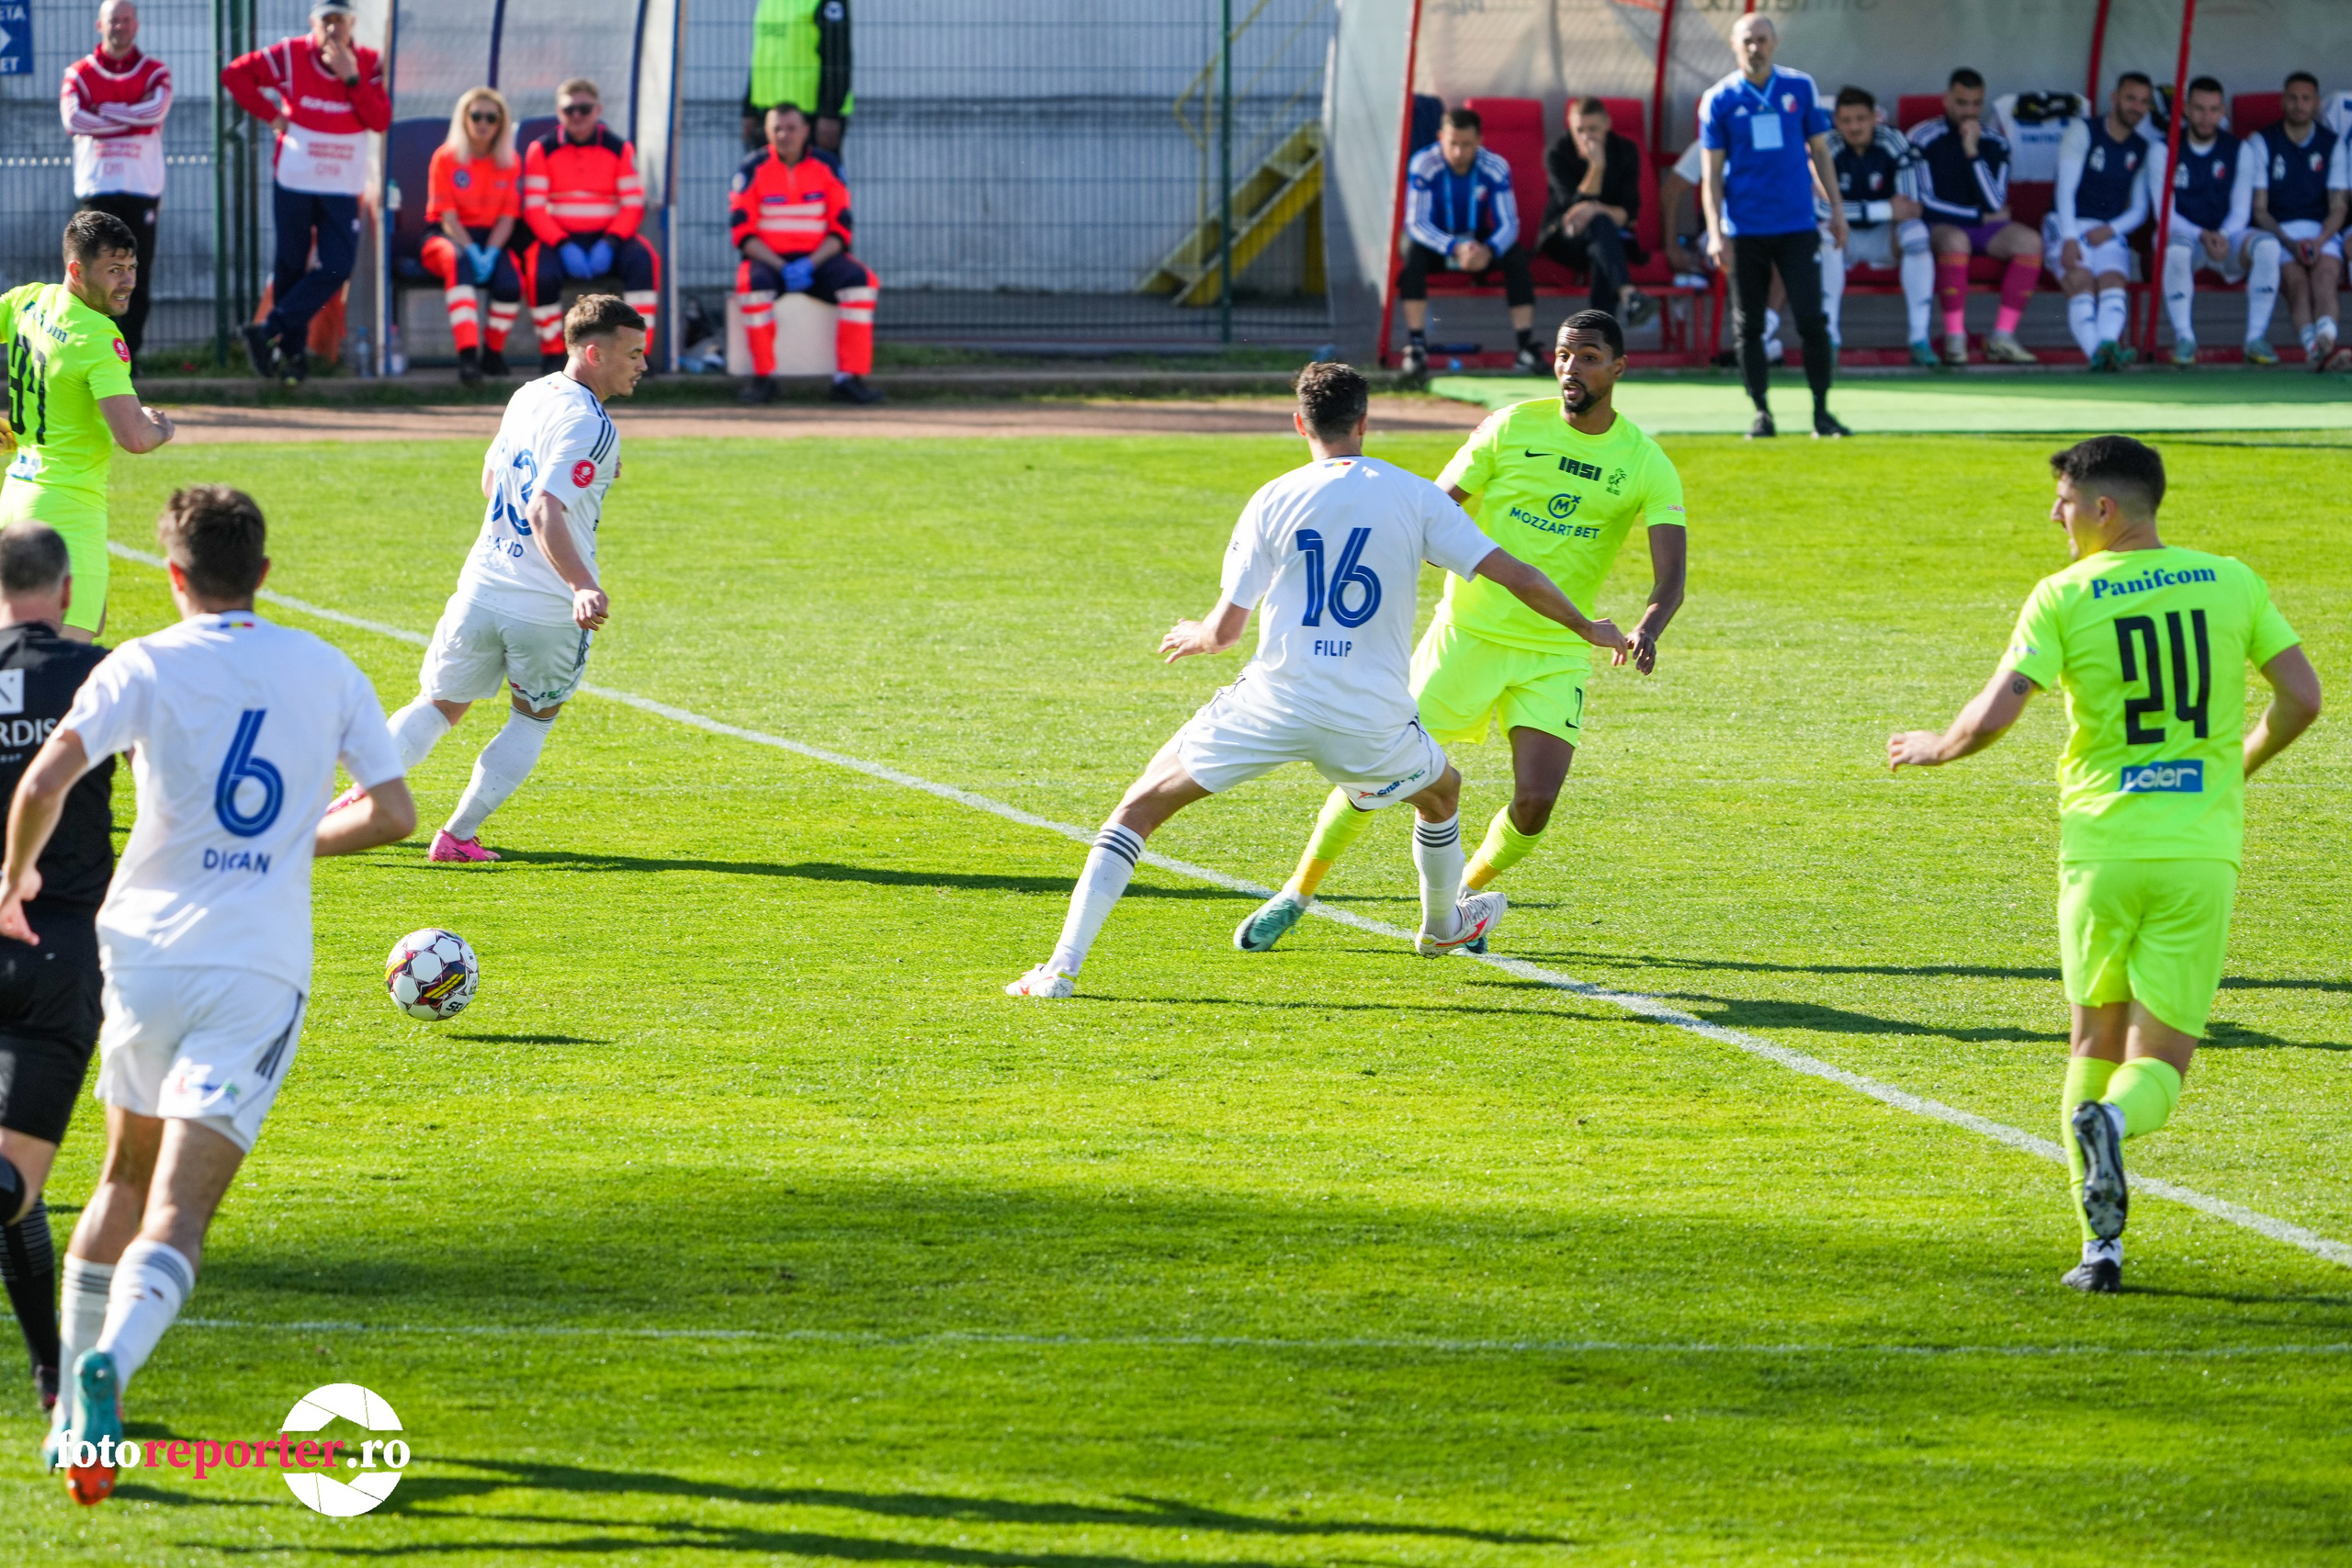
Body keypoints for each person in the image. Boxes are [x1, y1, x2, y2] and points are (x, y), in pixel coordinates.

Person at [6, 485, 416, 1503]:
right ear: (264, 573)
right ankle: (113, 1367)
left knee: (119, 1177)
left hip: (137, 951)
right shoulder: (325, 667)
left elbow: (45, 782)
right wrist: (294, 841)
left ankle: (71, 1421)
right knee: (181, 1215)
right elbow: (396, 811)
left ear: (173, 575)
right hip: (254, 962)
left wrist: (14, 877)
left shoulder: (138, 661)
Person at [1007, 363, 1627, 998]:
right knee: (1442, 794)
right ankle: (1443, 923)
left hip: (1273, 704)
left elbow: (1224, 633)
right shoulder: (1416, 497)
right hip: (1370, 721)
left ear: (1300, 422)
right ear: (1365, 422)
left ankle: (1061, 967)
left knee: (1138, 809)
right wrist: (1587, 625)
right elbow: (1516, 575)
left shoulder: (1273, 497)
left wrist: (1199, 633)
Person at [1888, 435, 2320, 1294]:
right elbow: (2303, 696)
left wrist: (1939, 746)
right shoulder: (2231, 579)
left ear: (2104, 508)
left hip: (2101, 851)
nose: (2054, 514)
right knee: (2161, 1058)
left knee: (2092, 1039)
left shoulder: (2065, 596)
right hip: (2198, 855)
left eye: (2061, 500)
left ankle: (2100, 1252)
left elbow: (1998, 710)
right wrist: (2234, 763)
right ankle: (2116, 1122)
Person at [1237, 312, 1685, 953]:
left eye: (1587, 357)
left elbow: (1673, 573)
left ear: (1618, 368)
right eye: (1562, 355)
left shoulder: (1645, 461)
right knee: (1374, 773)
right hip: (1466, 637)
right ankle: (1297, 891)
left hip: (1556, 652)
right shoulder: (1510, 427)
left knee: (1535, 801)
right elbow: (1435, 507)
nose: (1570, 369)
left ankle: (1461, 898)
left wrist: (1648, 626)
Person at [334, 297, 644, 863]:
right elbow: (545, 509)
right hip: (547, 607)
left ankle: (358, 798)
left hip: (481, 585)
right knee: (533, 719)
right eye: (633, 354)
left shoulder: (530, 394)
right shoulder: (593, 423)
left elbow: (490, 480)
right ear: (595, 353)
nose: (642, 365)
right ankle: (457, 837)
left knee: (438, 703)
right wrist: (580, 585)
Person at [0, 525, 113, 1421]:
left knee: (9, 1190)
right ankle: (54, 1372)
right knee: (11, 1186)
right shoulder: (101, 675)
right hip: (63, 952)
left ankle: (53, 1371)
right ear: (67, 592)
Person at [0, 211, 175, 644]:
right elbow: (133, 437)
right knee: (60, 661)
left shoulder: (29, 300)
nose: (128, 281)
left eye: (132, 268)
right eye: (114, 270)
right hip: (67, 507)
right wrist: (160, 428)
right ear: (76, 270)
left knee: (76, 629)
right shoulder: (97, 336)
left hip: (18, 494)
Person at [221, 0, 390, 385]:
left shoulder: (367, 61)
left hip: (342, 183)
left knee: (337, 265)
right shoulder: (291, 54)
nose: (333, 29)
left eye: (340, 21)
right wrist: (273, 116)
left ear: (352, 25)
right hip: (297, 177)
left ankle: (267, 330)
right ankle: (291, 356)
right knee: (290, 265)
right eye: (326, 20)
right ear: (312, 22)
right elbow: (234, 75)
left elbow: (379, 119)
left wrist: (352, 78)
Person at [1698, 13, 1849, 439]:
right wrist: (1715, 230)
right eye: (1747, 40)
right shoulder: (1719, 99)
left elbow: (1820, 152)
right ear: (1734, 44)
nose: (1755, 48)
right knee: (1748, 325)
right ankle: (1762, 413)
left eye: (1762, 39)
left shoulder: (1800, 87)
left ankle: (1822, 411)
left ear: (1775, 42)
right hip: (1744, 229)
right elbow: (1712, 174)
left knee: (1811, 319)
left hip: (1797, 224)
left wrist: (1836, 210)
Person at [729, 103, 883, 406]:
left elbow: (841, 229)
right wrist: (782, 266)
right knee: (751, 286)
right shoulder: (751, 168)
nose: (784, 135)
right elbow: (742, 234)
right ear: (767, 133)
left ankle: (848, 379)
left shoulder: (828, 166)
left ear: (806, 131)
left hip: (819, 260)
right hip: (770, 261)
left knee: (861, 282)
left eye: (791, 128)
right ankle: (763, 379)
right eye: (777, 129)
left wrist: (810, 264)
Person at [59, 1, 172, 367]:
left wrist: (103, 110)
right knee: (91, 277)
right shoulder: (77, 73)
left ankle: (129, 357)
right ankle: (90, 354)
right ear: (99, 25)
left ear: (135, 25)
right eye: (113, 21)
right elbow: (75, 121)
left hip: (142, 191)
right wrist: (131, 118)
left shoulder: (156, 72)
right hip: (96, 191)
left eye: (125, 20)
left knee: (133, 276)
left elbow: (154, 112)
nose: (119, 27)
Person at [523, 80, 662, 373]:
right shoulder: (540, 150)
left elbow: (633, 204)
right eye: (569, 109)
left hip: (609, 238)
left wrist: (611, 242)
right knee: (539, 270)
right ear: (558, 112)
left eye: (584, 109)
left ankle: (639, 355)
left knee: (644, 260)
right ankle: (551, 355)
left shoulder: (619, 148)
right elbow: (534, 208)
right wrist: (561, 244)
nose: (577, 116)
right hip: (561, 240)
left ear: (598, 110)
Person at [1910, 68, 2042, 366]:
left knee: (2030, 241)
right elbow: (1924, 202)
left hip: (1983, 228)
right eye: (1961, 102)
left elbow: (1995, 200)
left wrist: (1972, 152)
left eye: (1976, 103)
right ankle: (1955, 340)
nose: (1969, 111)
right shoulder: (1922, 136)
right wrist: (1977, 217)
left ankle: (2002, 338)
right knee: (1956, 240)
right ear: (1946, 101)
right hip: (1942, 227)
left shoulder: (1996, 142)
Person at [1398, 108, 1541, 377]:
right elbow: (1417, 223)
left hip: (1478, 244)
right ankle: (1416, 345)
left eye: (1466, 144)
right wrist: (1455, 247)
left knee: (1516, 256)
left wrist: (1489, 250)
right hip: (1439, 244)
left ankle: (1525, 346)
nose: (1458, 152)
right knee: (1411, 251)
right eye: (1452, 143)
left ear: (1479, 141)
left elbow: (1509, 223)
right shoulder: (1423, 164)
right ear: (1441, 137)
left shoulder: (1496, 166)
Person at [2159, 76, 2281, 368]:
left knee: (2268, 246)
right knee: (2176, 249)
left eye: (2213, 109)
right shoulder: (2164, 150)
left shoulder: (2239, 150)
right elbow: (2165, 214)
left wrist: (2223, 235)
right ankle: (2185, 339)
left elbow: (2241, 210)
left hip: (2227, 240)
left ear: (2222, 111)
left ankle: (2255, 338)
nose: (2206, 117)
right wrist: (2204, 235)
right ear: (2186, 109)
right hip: (2187, 239)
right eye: (2199, 108)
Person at [2049, 72, 2154, 371]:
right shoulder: (2083, 131)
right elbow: (2064, 190)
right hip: (2065, 221)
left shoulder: (2142, 148)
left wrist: (2111, 229)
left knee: (2114, 282)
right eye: (2131, 98)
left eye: (2143, 102)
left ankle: (2107, 346)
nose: (2136, 106)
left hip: (2107, 229)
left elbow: (2139, 209)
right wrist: (2069, 237)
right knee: (2080, 280)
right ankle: (2099, 352)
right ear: (2114, 98)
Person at [1822, 85, 1934, 365]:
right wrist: (1884, 208)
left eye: (1861, 118)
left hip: (1885, 238)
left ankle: (1919, 338)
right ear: (1836, 121)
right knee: (1822, 235)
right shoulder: (1826, 146)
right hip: (1843, 238)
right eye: (1846, 120)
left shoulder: (1893, 141)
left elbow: (1909, 206)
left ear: (1875, 118)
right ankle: (1829, 338)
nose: (1855, 127)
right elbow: (1821, 208)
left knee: (1916, 233)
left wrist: (1851, 211)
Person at [420, 87, 524, 386]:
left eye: (491, 117)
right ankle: (468, 357)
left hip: (491, 239)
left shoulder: (510, 161)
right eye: (476, 115)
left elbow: (507, 218)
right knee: (458, 262)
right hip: (447, 237)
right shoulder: (446, 158)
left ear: (501, 123)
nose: (483, 123)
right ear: (464, 119)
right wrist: (471, 249)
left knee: (510, 281)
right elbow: (447, 217)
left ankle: (492, 353)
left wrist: (490, 252)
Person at [2249, 73, 2345, 367]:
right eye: (2292, 97)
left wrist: (2318, 241)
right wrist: (2290, 244)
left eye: (2306, 98)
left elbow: (2338, 206)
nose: (2299, 105)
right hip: (2280, 233)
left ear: (2317, 103)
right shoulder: (2262, 141)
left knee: (2325, 278)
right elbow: (2260, 209)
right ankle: (2312, 346)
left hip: (2321, 232)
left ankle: (2326, 339)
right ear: (2282, 101)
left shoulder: (2332, 144)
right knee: (2296, 284)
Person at [1541, 98, 1654, 325]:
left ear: (1607, 125)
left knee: (1600, 239)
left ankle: (1600, 333)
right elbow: (1573, 212)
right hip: (1565, 239)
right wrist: (1596, 167)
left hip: (1606, 240)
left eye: (1593, 129)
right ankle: (1628, 295)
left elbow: (1629, 214)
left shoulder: (1625, 151)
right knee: (1600, 228)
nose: (1586, 137)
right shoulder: (1558, 153)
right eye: (1579, 130)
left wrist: (1596, 208)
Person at [741, 0, 850, 164]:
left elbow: (837, 54)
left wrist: (830, 113)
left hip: (810, 117)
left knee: (813, 184)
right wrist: (749, 110)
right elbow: (761, 55)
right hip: (769, 116)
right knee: (770, 185)